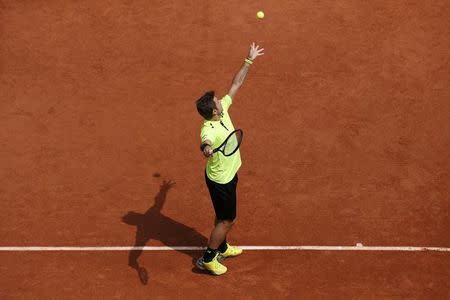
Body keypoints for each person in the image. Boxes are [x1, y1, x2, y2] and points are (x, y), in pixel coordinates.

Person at [195, 42, 264, 275]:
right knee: (227, 220)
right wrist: (206, 149)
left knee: (221, 215)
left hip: (229, 173)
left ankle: (222, 246)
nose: (220, 100)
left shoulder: (222, 109)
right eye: (216, 102)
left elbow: (237, 83)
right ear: (214, 112)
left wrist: (249, 59)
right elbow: (205, 143)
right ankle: (208, 258)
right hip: (220, 180)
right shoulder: (208, 130)